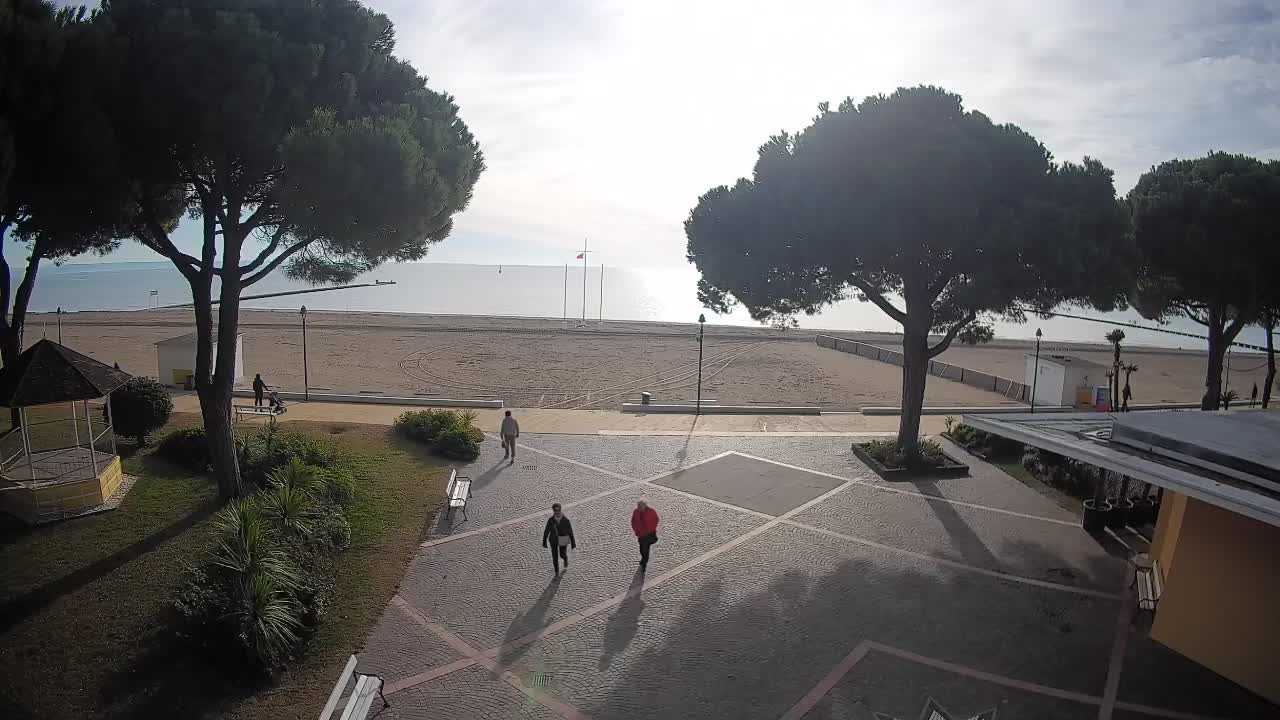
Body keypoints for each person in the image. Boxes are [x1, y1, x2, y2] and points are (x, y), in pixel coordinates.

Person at [541, 503, 576, 575]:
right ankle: (556, 571)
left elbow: (570, 531)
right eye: (555, 511)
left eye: (558, 511)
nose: (557, 512)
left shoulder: (566, 520)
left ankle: (565, 559)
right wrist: (544, 541)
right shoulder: (551, 520)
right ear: (554, 511)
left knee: (562, 555)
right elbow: (546, 531)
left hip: (563, 538)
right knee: (555, 556)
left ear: (560, 510)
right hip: (553, 540)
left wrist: (573, 543)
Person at [630, 499, 659, 570]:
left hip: (649, 534)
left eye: (640, 506)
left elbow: (656, 520)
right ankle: (644, 559)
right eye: (638, 506)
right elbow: (633, 522)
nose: (639, 507)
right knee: (642, 549)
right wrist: (636, 530)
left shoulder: (651, 511)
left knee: (645, 548)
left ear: (645, 506)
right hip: (641, 535)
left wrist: (651, 529)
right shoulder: (636, 512)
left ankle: (644, 562)